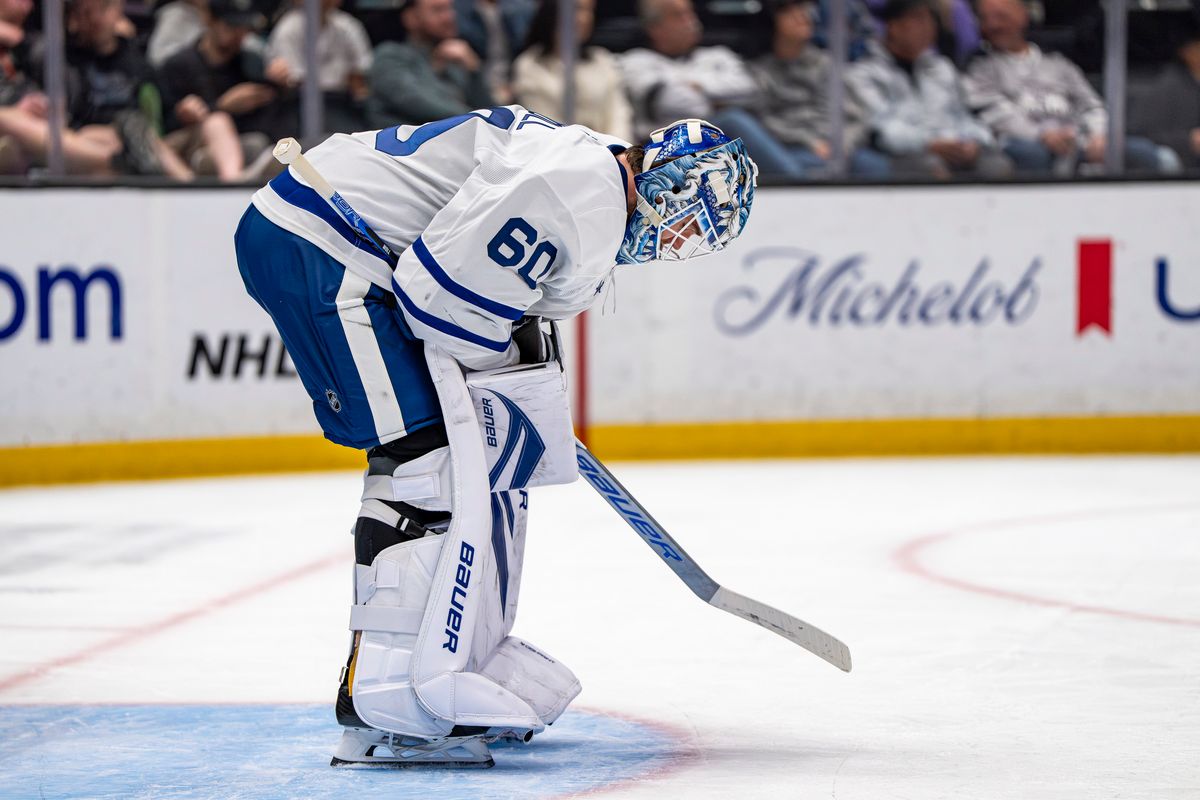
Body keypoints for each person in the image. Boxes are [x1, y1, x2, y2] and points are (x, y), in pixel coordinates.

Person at [233, 109, 757, 766]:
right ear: (663, 182)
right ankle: (386, 696)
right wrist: (507, 384)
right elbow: (439, 303)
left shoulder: (590, 173)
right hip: (321, 245)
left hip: (332, 240)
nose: (676, 236)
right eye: (685, 217)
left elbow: (495, 298)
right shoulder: (580, 187)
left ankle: (463, 657)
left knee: (480, 462)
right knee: (426, 467)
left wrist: (520, 391)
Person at [964, 0, 1178, 176]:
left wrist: (1098, 135)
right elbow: (996, 114)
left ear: (1023, 16)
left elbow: (1091, 105)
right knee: (1032, 155)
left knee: (1147, 154)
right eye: (985, 18)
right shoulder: (979, 68)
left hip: (1079, 141)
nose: (994, 25)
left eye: (1001, 16)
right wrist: (1042, 134)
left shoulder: (1058, 63)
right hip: (1026, 144)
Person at [0, 0, 193, 178]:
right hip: (82, 134)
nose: (95, 18)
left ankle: (191, 188)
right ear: (74, 17)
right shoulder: (65, 57)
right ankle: (125, 164)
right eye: (86, 12)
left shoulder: (136, 60)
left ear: (118, 10)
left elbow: (165, 114)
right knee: (115, 137)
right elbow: (71, 114)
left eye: (103, 8)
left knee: (132, 130)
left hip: (130, 133)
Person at [620, 0, 797, 180]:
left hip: (724, 151)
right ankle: (796, 181)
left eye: (691, 13)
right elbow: (672, 102)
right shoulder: (635, 62)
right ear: (654, 28)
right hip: (669, 153)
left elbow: (752, 92)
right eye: (679, 16)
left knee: (808, 158)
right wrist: (717, 103)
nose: (692, 21)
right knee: (733, 118)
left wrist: (698, 86)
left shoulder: (718, 55)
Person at [847, 0, 1011, 179]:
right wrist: (929, 144)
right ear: (893, 27)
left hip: (952, 146)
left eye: (931, 21)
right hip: (904, 153)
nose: (928, 28)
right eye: (918, 20)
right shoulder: (863, 74)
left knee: (997, 165)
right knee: (931, 168)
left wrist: (974, 141)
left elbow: (963, 116)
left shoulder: (942, 68)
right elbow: (882, 130)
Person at [752, 0, 890, 179]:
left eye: (802, 10)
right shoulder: (759, 72)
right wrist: (810, 142)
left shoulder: (826, 64)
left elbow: (856, 117)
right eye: (788, 12)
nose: (801, 16)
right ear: (773, 23)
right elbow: (763, 122)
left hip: (836, 147)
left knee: (874, 165)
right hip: (790, 147)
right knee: (804, 165)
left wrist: (840, 148)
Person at [158, 0, 276, 181]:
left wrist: (279, 84)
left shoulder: (249, 64)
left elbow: (265, 120)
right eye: (230, 26)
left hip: (237, 144)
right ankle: (233, 183)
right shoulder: (179, 65)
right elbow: (165, 125)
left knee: (257, 144)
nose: (239, 34)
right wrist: (222, 106)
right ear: (209, 20)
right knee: (217, 122)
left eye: (243, 27)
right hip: (187, 142)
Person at [512, 0, 633, 141]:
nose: (585, 18)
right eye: (578, 9)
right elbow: (544, 126)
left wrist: (618, 149)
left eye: (589, 11)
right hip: (557, 153)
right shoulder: (530, 64)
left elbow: (618, 114)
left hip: (612, 152)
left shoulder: (602, 59)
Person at [366, 0, 493, 129]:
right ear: (411, 18)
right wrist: (480, 119)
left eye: (450, 9)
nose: (449, 17)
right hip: (404, 145)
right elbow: (421, 104)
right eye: (438, 10)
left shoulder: (455, 59)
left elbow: (491, 110)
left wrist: (474, 68)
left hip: (457, 142)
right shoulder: (389, 57)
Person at [267, 0, 372, 133]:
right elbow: (294, 80)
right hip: (299, 102)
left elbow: (359, 73)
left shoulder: (347, 24)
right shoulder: (289, 27)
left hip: (341, 100)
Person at [1129, 22, 1200, 173]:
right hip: (1179, 174)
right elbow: (1143, 135)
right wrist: (1188, 141)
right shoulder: (1167, 86)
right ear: (1186, 52)